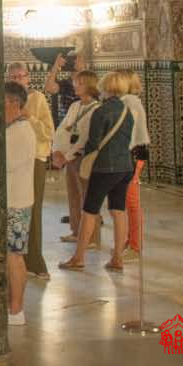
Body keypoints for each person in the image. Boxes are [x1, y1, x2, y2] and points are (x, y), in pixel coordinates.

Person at [59, 70, 135, 273]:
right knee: (118, 211)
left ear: (106, 88)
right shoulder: (128, 111)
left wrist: (81, 157)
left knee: (89, 211)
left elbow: (92, 143)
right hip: (125, 165)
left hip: (104, 167)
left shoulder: (101, 111)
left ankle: (78, 257)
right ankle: (117, 257)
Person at [7, 63, 53, 279]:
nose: (17, 79)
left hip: (34, 158)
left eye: (20, 76)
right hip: (10, 160)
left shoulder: (37, 99)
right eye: (12, 76)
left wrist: (28, 117)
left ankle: (34, 261)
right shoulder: (5, 100)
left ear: (27, 78)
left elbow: (47, 132)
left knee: (32, 210)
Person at [52, 71, 103, 248]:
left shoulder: (96, 109)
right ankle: (76, 231)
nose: (75, 86)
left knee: (87, 198)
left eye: (79, 83)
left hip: (83, 158)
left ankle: (92, 237)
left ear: (89, 86)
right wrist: (56, 151)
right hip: (68, 158)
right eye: (75, 82)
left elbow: (84, 139)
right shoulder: (75, 106)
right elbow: (62, 129)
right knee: (73, 196)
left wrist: (66, 157)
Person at [3, 81, 36, 325]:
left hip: (16, 202)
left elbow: (5, 164)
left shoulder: (21, 132)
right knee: (8, 254)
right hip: (11, 200)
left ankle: (17, 309)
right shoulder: (13, 129)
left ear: (14, 104)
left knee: (14, 255)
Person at [122, 72, 150, 259]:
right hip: (133, 153)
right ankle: (130, 240)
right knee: (127, 201)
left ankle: (135, 246)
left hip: (133, 154)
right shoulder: (129, 100)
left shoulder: (130, 101)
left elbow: (130, 132)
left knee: (132, 202)